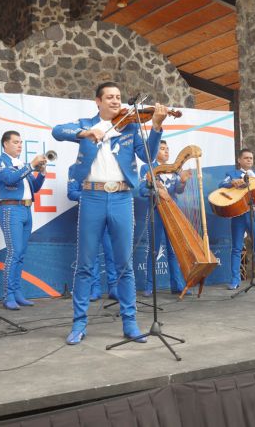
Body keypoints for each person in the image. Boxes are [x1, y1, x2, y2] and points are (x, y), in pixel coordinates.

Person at [52, 81, 168, 345]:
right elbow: (57, 131)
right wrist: (87, 132)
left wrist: (157, 126)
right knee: (85, 263)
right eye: (110, 97)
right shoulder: (86, 122)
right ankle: (79, 324)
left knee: (124, 264)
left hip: (122, 197)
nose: (116, 101)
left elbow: (149, 155)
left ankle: (130, 323)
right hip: (92, 195)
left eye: (118, 97)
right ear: (98, 101)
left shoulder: (130, 125)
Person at [0, 131, 47, 310]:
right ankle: (8, 295)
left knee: (20, 254)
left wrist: (42, 173)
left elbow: (35, 188)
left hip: (26, 209)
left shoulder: (22, 164)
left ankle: (16, 291)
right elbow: (9, 178)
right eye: (16, 142)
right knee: (14, 252)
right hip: (10, 209)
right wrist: (31, 165)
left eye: (21, 142)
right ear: (5, 144)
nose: (20, 145)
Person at [138, 140, 189, 296]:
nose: (166, 151)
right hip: (156, 211)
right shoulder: (147, 168)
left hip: (172, 212)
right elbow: (141, 190)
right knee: (153, 250)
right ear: (154, 152)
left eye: (167, 148)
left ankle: (177, 285)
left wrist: (182, 182)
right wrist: (156, 191)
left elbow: (178, 191)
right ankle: (149, 286)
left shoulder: (174, 170)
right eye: (162, 148)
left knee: (173, 250)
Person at [218, 149, 255, 290]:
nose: (249, 160)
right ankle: (235, 280)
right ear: (239, 160)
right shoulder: (232, 174)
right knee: (236, 248)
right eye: (246, 158)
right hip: (238, 215)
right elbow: (221, 185)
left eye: (251, 158)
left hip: (254, 213)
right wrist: (232, 182)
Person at [66, 164, 119, 302]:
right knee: (92, 254)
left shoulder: (106, 165)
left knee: (111, 251)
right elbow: (71, 193)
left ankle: (114, 287)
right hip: (89, 215)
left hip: (109, 213)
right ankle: (95, 289)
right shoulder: (75, 168)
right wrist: (93, 195)